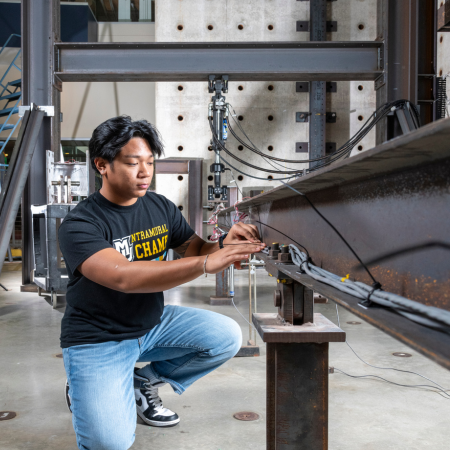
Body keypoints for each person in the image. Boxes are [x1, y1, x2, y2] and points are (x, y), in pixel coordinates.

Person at [58, 115, 265, 450]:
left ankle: (142, 381)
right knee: (108, 444)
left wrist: (225, 243)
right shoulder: (80, 223)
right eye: (132, 163)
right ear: (102, 165)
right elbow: (123, 277)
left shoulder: (159, 206)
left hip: (150, 325)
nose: (145, 172)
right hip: (97, 339)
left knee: (226, 336)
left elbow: (195, 249)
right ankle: (85, 382)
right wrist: (207, 263)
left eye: (150, 162)